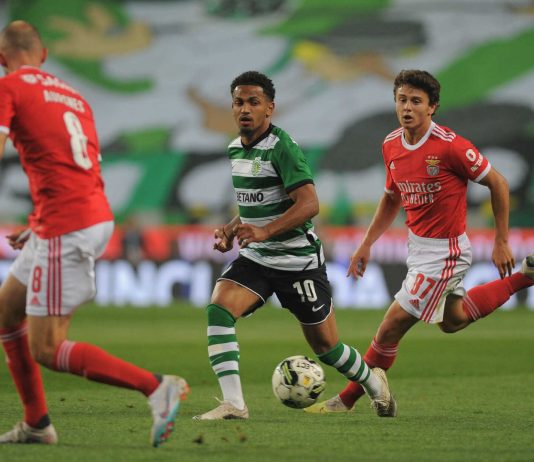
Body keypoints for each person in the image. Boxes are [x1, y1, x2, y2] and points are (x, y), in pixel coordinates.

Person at [0, 21, 188, 446]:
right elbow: (75, 166)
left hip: (66, 225)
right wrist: (37, 222)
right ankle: (36, 424)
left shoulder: (9, 87)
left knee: (47, 348)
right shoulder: (74, 97)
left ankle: (156, 386)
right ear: (44, 54)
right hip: (85, 213)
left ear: (1, 57)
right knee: (6, 311)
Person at [305, 69, 534, 414]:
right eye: (401, 99)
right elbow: (391, 197)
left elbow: (498, 183)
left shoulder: (450, 146)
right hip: (419, 249)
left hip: (446, 253)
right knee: (452, 320)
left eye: (416, 101)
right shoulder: (391, 144)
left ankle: (347, 400)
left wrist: (501, 240)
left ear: (432, 108)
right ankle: (525, 276)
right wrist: (366, 243)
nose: (407, 107)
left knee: (391, 325)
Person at [192, 70, 395, 421]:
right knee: (219, 310)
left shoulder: (282, 147)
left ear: (269, 108)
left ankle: (374, 385)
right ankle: (234, 404)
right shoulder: (234, 148)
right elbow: (254, 204)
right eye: (239, 102)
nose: (245, 109)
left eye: (253, 102)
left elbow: (310, 204)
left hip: (297, 262)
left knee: (326, 348)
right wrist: (229, 229)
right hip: (257, 258)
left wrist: (266, 231)